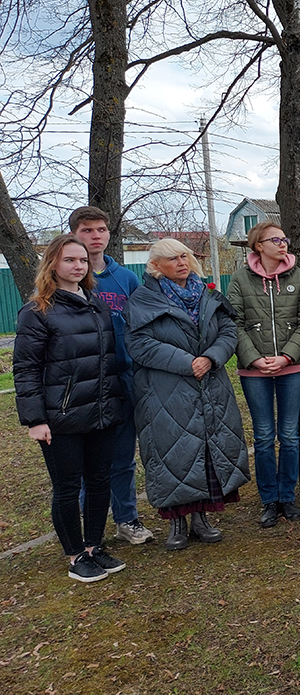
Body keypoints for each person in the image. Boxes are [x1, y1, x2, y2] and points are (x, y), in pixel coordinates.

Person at [13, 235, 127, 582]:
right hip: (61, 416)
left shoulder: (97, 305)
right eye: (69, 260)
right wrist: (35, 419)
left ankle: (93, 546)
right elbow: (26, 368)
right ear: (52, 264)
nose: (78, 266)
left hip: (102, 411)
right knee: (67, 486)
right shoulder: (37, 312)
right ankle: (75, 555)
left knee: (99, 481)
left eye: (82, 260)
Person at [125, 239, 250, 551]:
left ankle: (201, 519)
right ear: (155, 266)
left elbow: (228, 331)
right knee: (173, 454)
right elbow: (139, 343)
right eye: (172, 259)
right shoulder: (143, 299)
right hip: (165, 391)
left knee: (206, 450)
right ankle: (176, 523)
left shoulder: (207, 294)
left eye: (184, 256)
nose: (181, 263)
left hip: (210, 383)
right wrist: (186, 363)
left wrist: (211, 357)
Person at [68, 206, 154, 546]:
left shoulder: (126, 279)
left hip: (123, 380)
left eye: (101, 229)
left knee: (122, 457)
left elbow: (139, 328)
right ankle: (90, 529)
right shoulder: (67, 280)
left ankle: (126, 518)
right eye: (87, 230)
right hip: (83, 384)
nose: (95, 236)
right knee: (87, 460)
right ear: (74, 234)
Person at [228, 222, 300, 529]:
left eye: (284, 239)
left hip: (292, 366)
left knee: (289, 434)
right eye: (275, 240)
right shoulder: (240, 279)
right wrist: (254, 358)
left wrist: (287, 356)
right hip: (255, 370)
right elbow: (234, 323)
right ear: (258, 246)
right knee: (263, 436)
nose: (283, 243)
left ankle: (287, 496)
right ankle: (269, 500)